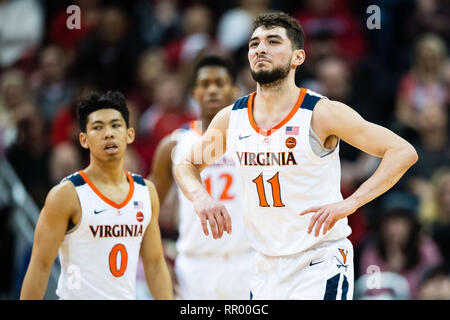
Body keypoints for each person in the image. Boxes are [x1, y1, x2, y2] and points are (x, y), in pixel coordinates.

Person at [174, 12, 418, 300]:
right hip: (264, 265)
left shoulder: (321, 113)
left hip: (318, 261)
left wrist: (352, 202)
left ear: (297, 57)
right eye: (254, 44)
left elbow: (402, 151)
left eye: (273, 41)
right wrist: (201, 197)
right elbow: (186, 163)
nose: (260, 49)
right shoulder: (231, 118)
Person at [20, 91, 173, 300]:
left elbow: (155, 264)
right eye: (98, 127)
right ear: (83, 139)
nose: (108, 133)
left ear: (129, 134)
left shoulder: (146, 191)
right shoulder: (67, 195)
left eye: (116, 125)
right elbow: (40, 266)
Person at [149, 55, 254, 299]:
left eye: (220, 83)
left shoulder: (257, 138)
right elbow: (146, 212)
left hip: (247, 262)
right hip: (194, 268)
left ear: (235, 89)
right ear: (194, 93)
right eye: (205, 84)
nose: (213, 90)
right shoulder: (174, 144)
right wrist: (160, 263)